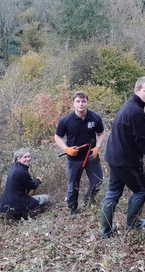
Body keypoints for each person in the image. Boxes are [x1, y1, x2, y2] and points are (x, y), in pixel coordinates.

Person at [101, 76, 145, 238]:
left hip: (114, 157)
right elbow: (143, 141)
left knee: (113, 191)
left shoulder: (129, 106)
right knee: (142, 189)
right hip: (125, 161)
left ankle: (106, 230)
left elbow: (134, 137)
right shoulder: (136, 112)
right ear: (137, 91)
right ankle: (132, 223)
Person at [55, 90, 105, 218]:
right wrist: (67, 149)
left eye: (83, 101)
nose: (81, 104)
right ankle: (73, 208)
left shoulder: (95, 118)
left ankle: (89, 199)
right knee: (73, 185)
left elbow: (101, 134)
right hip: (74, 159)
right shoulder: (65, 121)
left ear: (87, 102)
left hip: (91, 156)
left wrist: (97, 147)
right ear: (73, 104)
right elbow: (57, 137)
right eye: (78, 101)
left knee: (97, 180)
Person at [0, 148, 50, 220]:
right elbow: (33, 186)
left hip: (6, 202)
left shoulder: (15, 167)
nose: (28, 159)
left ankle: (16, 215)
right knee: (47, 198)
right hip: (16, 203)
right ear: (19, 159)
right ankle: (26, 215)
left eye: (29, 156)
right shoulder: (22, 171)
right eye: (25, 157)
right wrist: (38, 180)